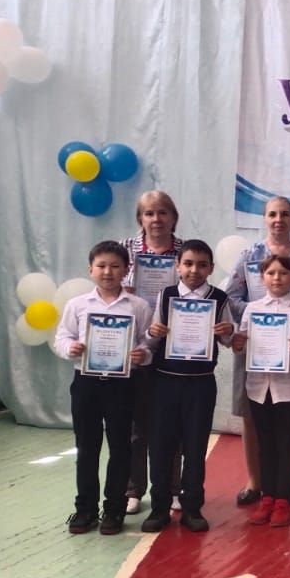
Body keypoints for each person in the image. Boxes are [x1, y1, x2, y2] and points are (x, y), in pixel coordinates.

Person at [224, 196, 290, 507]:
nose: (278, 219)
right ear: (265, 218)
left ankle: (283, 488)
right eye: (272, 214)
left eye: (285, 214)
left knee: (285, 424)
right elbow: (231, 296)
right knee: (252, 416)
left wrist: (289, 326)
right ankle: (256, 482)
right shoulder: (249, 255)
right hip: (255, 348)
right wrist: (258, 324)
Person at [53, 241, 153, 535]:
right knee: (87, 447)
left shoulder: (138, 306)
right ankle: (85, 509)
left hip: (123, 385)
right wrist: (70, 347)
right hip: (86, 383)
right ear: (91, 269)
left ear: (126, 270)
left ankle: (114, 509)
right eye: (101, 266)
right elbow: (61, 337)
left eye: (115, 266)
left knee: (121, 447)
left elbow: (149, 343)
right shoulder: (77, 305)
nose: (108, 272)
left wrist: (143, 355)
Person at [142, 238, 237, 533]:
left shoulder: (219, 298)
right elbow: (150, 342)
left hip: (200, 384)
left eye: (201, 265)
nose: (194, 270)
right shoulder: (166, 295)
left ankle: (192, 507)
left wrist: (227, 331)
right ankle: (159, 507)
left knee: (195, 446)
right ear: (178, 266)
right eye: (188, 263)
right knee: (161, 446)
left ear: (211, 268)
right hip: (165, 381)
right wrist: (152, 332)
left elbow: (229, 341)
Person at [231, 255, 290, 528]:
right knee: (265, 443)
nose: (277, 278)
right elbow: (242, 346)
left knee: (286, 443)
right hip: (258, 386)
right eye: (271, 273)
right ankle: (267, 497)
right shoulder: (252, 309)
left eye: (283, 273)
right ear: (262, 277)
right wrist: (237, 344)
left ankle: (283, 499)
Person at [120, 189, 182, 516]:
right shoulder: (125, 249)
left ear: (173, 217)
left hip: (174, 345)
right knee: (136, 424)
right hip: (135, 345)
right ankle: (133, 489)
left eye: (162, 212)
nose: (156, 219)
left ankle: (172, 488)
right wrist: (124, 290)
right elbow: (107, 288)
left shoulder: (185, 250)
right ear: (140, 219)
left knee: (171, 422)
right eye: (149, 213)